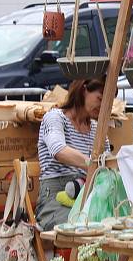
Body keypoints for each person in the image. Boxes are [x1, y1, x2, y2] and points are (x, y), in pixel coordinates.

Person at [35, 77, 107, 229]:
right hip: (54, 200)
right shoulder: (55, 117)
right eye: (100, 98)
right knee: (85, 225)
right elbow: (58, 150)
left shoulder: (96, 128)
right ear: (83, 89)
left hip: (86, 197)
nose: (102, 105)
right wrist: (91, 164)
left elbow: (107, 162)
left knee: (115, 222)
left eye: (107, 101)